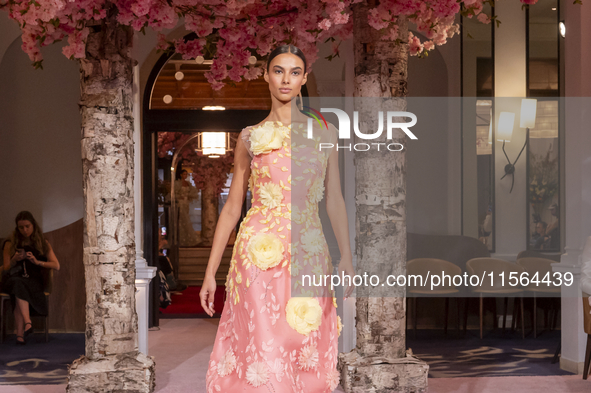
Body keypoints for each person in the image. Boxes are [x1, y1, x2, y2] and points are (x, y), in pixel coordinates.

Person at [201, 44, 355, 392]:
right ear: (266, 76)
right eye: (278, 71)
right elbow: (232, 207)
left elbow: (334, 200)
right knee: (262, 346)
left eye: (295, 72)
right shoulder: (250, 136)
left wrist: (346, 256)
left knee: (305, 343)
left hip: (310, 252)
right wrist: (210, 272)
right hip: (257, 254)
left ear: (303, 79)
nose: (286, 79)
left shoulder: (326, 133)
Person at [2, 211, 60, 345]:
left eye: (27, 226)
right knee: (17, 283)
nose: (25, 230)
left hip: (33, 280)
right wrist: (14, 260)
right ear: (17, 228)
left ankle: (20, 335)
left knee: (19, 290)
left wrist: (36, 262)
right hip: (13, 278)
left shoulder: (42, 242)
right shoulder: (10, 243)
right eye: (21, 227)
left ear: (33, 225)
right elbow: (5, 268)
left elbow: (56, 265)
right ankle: (28, 323)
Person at [175, 169, 201, 247]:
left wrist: (188, 196)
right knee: (183, 220)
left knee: (186, 219)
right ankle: (183, 239)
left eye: (186, 174)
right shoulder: (177, 183)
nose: (185, 176)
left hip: (186, 204)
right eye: (184, 174)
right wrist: (180, 196)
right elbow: (174, 194)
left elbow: (193, 193)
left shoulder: (188, 184)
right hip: (181, 203)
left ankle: (187, 239)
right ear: (180, 175)